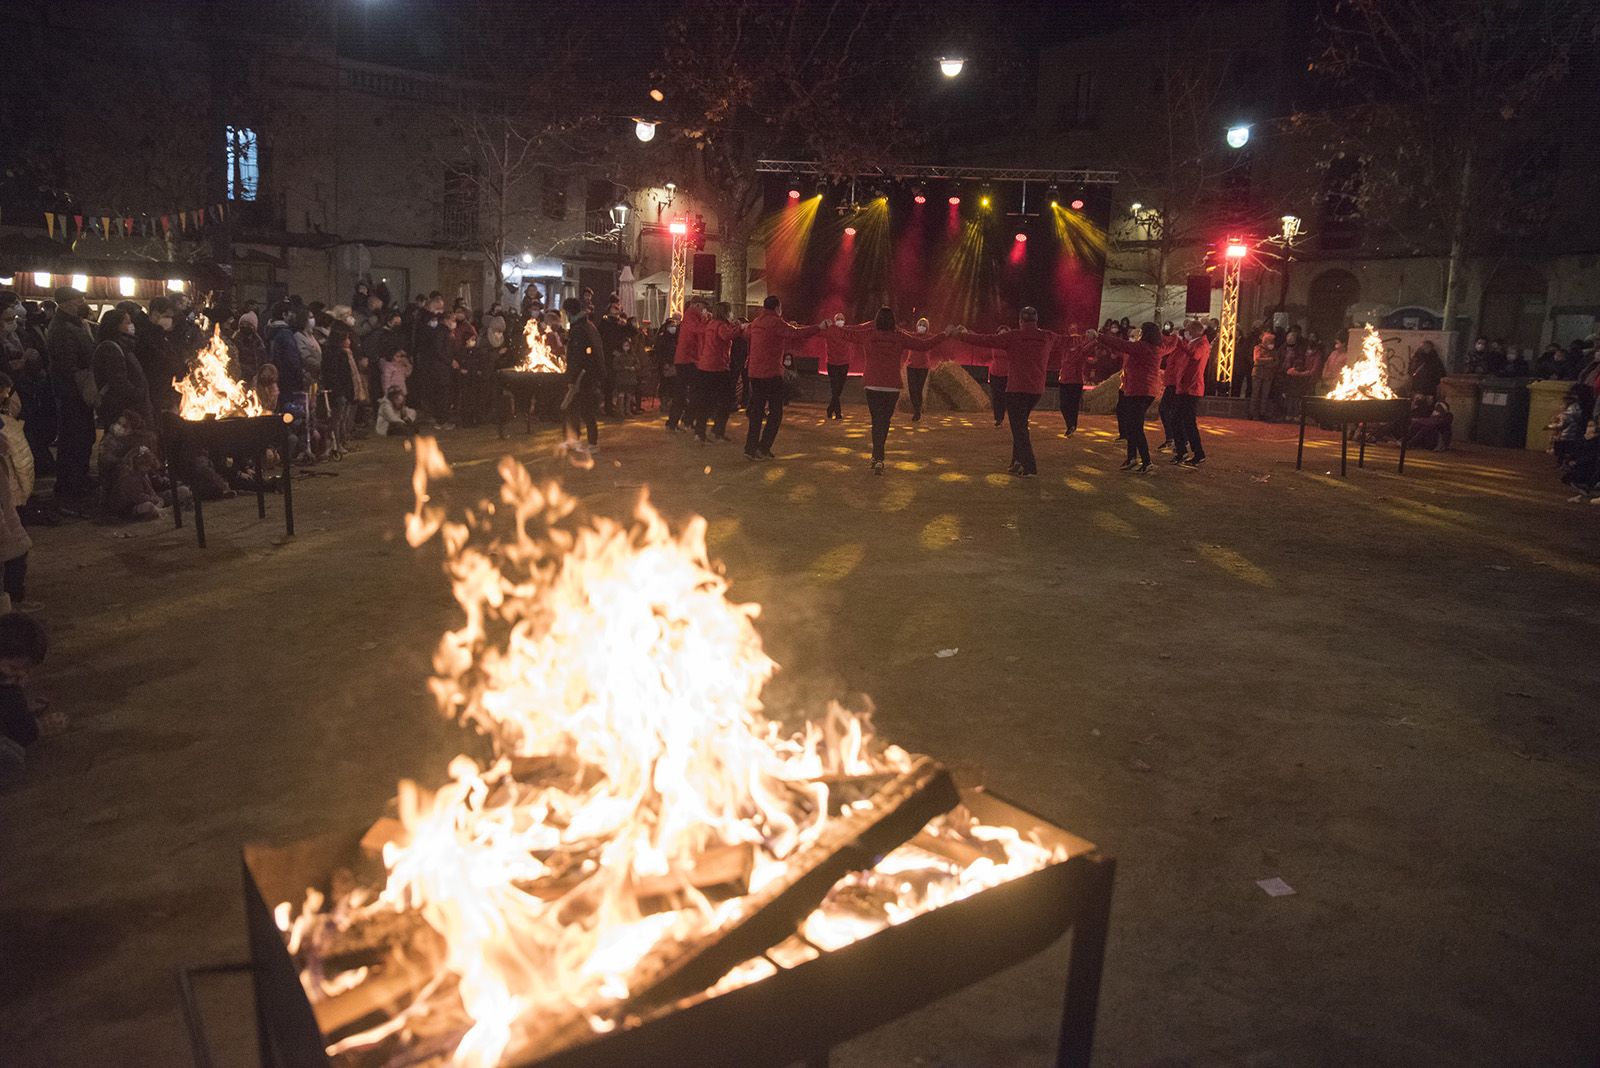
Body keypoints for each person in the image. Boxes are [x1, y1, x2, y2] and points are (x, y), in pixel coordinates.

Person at [831, 308, 942, 474]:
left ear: (876, 320)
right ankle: (878, 457)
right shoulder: (899, 336)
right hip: (891, 386)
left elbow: (846, 334)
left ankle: (877, 456)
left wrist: (829, 326)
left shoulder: (868, 334)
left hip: (872, 384)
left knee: (876, 420)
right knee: (885, 421)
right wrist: (945, 335)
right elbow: (924, 345)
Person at [957, 308, 1056, 477]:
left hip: (1017, 388)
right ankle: (1016, 462)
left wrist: (963, 335)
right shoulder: (1047, 336)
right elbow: (1068, 341)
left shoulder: (1013, 336)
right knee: (1020, 425)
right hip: (1036, 389)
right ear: (1036, 320)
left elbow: (985, 340)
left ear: (1020, 321)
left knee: (1019, 429)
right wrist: (1092, 337)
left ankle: (1029, 466)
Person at [744, 295, 821, 460]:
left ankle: (750, 448)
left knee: (756, 412)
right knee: (776, 412)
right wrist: (819, 327)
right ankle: (763, 447)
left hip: (755, 372)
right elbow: (796, 334)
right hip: (771, 373)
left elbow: (748, 333)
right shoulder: (776, 322)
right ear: (777, 307)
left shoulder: (756, 322)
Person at [45, 286, 98, 499]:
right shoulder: (62, 328)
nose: (82, 304)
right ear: (67, 303)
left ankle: (80, 477)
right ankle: (70, 484)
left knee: (84, 436)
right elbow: (68, 365)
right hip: (71, 392)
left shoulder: (75, 324)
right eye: (79, 300)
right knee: (73, 439)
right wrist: (81, 384)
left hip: (77, 390)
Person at [1090, 322, 1163, 473]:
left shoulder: (1143, 347)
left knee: (1135, 427)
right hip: (1143, 390)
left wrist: (1099, 337)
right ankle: (1131, 458)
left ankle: (1146, 461)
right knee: (1132, 425)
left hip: (1139, 390)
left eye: (1141, 332)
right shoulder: (1155, 348)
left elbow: (1121, 344)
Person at [0, 612, 59, 787]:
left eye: (27, 669)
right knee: (13, 758)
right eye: (13, 668)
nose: (22, 674)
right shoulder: (8, 692)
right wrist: (39, 728)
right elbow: (22, 732)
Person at [2, 300, 54, 476]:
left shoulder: (18, 334)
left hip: (25, 387)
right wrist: (17, 364)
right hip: (8, 393)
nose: (12, 322)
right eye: (7, 319)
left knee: (29, 431)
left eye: (13, 318)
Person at [689, 302, 743, 443]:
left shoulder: (711, 324)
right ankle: (718, 431)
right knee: (726, 400)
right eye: (730, 311)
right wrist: (740, 328)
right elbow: (727, 335)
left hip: (705, 366)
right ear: (725, 312)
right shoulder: (721, 326)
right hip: (717, 367)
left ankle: (699, 432)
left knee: (705, 401)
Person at [92, 308, 154, 430]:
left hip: (127, 406)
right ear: (116, 326)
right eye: (127, 322)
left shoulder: (124, 346)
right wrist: (138, 393)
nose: (132, 325)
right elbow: (118, 382)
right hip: (121, 409)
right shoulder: (111, 348)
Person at [561, 297, 604, 454]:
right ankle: (574, 440)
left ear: (569, 312)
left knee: (584, 409)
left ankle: (592, 443)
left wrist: (572, 378)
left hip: (584, 376)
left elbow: (577, 357)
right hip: (588, 374)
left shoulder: (579, 329)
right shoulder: (587, 326)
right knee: (576, 408)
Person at [1168, 319, 1210, 466]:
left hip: (1192, 388)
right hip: (1185, 387)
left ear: (1195, 331)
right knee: (1178, 419)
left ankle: (1197, 453)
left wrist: (1180, 343)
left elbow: (1195, 355)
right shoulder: (1193, 343)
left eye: (1189, 330)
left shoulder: (1202, 344)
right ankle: (1183, 451)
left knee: (1187, 422)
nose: (1187, 332)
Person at [904, 317, 942, 422]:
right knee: (912, 389)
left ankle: (917, 411)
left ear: (927, 328)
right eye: (920, 325)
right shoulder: (912, 336)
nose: (921, 327)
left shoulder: (929, 337)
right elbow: (903, 333)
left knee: (918, 390)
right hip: (911, 366)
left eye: (924, 325)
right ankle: (916, 409)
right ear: (917, 326)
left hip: (923, 367)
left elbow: (938, 338)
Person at [1055, 329, 1090, 436]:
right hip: (1064, 380)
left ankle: (1071, 426)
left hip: (1075, 381)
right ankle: (1070, 425)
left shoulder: (1081, 351)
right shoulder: (1065, 351)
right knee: (1063, 405)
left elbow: (1091, 345)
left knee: (1073, 405)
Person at [822, 312, 853, 420]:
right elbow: (815, 331)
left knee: (838, 390)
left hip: (844, 364)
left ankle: (830, 409)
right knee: (835, 389)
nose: (840, 320)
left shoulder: (847, 331)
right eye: (838, 319)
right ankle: (838, 413)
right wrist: (797, 327)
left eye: (842, 319)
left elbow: (860, 329)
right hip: (832, 364)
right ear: (835, 321)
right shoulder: (829, 331)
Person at [655, 316, 684, 428]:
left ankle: (670, 403)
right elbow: (659, 352)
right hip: (665, 364)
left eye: (674, 326)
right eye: (671, 326)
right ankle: (664, 402)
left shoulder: (677, 338)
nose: (673, 328)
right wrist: (664, 363)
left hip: (675, 363)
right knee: (664, 383)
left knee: (673, 384)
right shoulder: (663, 338)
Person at [1248, 330, 1280, 421]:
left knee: (1265, 395)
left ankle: (1262, 413)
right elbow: (1257, 359)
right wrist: (1269, 360)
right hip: (1258, 374)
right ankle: (1252, 413)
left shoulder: (1274, 351)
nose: (1272, 344)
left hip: (1268, 375)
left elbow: (1276, 362)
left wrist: (1266, 362)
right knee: (1255, 394)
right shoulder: (1258, 348)